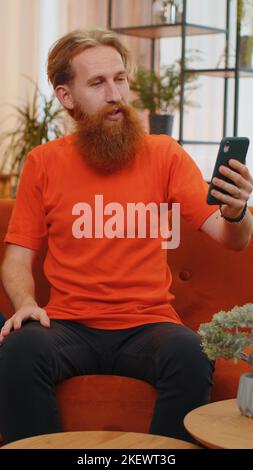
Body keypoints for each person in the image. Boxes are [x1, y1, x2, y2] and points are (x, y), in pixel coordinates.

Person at [0, 28, 253, 446]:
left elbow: (233, 239)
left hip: (149, 325)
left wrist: (237, 209)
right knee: (19, 350)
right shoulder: (42, 163)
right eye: (98, 83)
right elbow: (17, 256)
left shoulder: (165, 155)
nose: (115, 93)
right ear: (66, 97)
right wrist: (27, 304)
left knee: (190, 354)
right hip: (68, 324)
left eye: (120, 79)